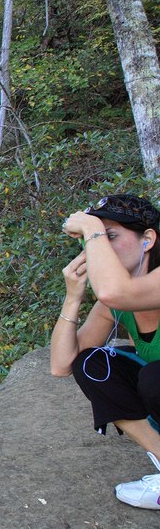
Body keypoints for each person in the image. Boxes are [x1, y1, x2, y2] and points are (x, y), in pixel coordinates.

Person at [50, 193, 160, 510]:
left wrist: (89, 226)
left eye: (110, 236)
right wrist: (73, 296)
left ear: (148, 239)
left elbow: (115, 291)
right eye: (96, 240)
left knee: (155, 378)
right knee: (92, 364)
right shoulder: (114, 304)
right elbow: (62, 364)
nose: (98, 248)